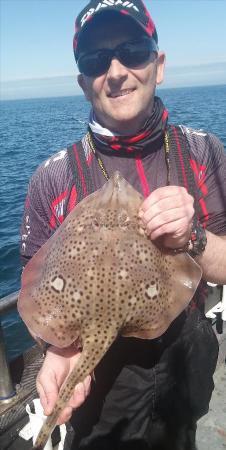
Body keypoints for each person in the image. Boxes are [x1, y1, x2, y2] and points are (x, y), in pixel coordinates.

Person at [20, 1, 226, 449]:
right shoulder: (51, 179)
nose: (115, 71)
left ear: (159, 65)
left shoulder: (206, 153)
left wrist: (194, 238)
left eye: (132, 50)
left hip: (183, 377)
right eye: (96, 60)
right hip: (98, 399)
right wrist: (59, 353)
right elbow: (36, 288)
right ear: (82, 81)